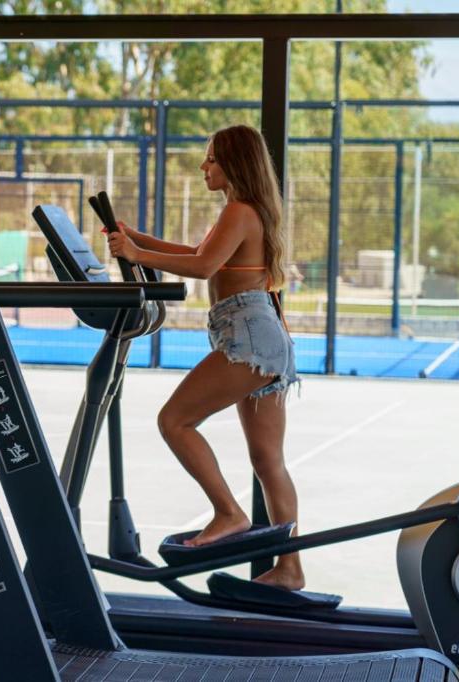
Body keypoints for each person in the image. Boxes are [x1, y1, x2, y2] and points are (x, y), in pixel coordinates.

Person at [106, 124, 303, 590]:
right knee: (268, 461)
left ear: (233, 163)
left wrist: (135, 252)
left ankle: (228, 512)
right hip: (263, 334)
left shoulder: (238, 209)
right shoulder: (247, 211)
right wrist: (138, 240)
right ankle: (290, 569)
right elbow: (199, 252)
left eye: (211, 158)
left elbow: (202, 267)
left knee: (174, 420)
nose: (203, 166)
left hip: (248, 337)